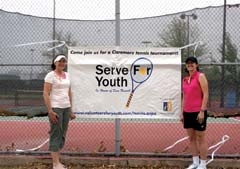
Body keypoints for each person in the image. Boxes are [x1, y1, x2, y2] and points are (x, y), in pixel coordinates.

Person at [43, 54, 76, 169]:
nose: (62, 63)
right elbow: (46, 94)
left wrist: (71, 110)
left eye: (64, 61)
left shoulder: (67, 75)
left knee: (62, 134)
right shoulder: (50, 75)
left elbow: (69, 92)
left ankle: (57, 161)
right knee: (56, 134)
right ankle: (55, 164)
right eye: (60, 61)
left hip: (66, 108)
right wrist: (50, 111)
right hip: (56, 108)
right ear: (55, 63)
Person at [181, 56, 209, 169]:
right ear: (186, 66)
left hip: (198, 113)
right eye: (188, 63)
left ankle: (203, 164)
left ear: (196, 65)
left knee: (200, 138)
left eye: (192, 63)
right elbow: (184, 97)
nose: (190, 65)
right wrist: (182, 112)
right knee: (191, 139)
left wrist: (202, 111)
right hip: (187, 113)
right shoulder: (185, 79)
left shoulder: (201, 76)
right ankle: (195, 163)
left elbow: (206, 94)